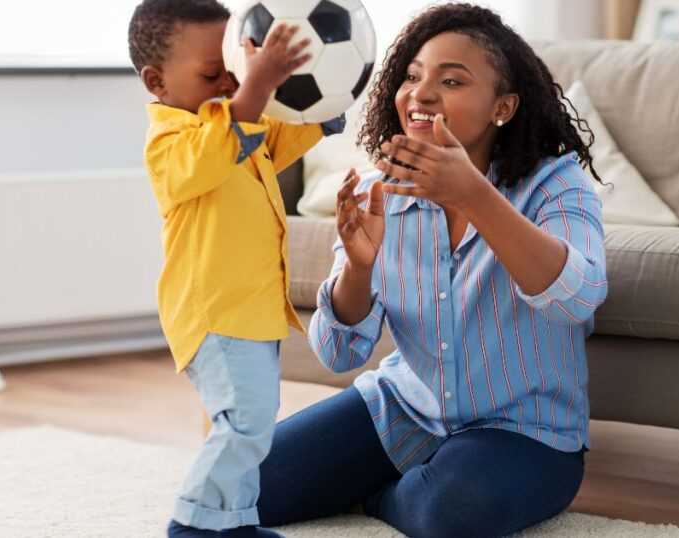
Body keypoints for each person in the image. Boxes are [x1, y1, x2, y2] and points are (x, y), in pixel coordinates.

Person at [256, 3, 608, 537]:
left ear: (504, 106)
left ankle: (382, 496)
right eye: (413, 77)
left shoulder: (555, 184)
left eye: (452, 80)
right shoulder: (385, 192)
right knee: (242, 487)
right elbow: (337, 352)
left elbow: (576, 298)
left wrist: (473, 192)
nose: (419, 93)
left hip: (525, 432)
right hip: (404, 408)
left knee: (455, 512)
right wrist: (358, 267)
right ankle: (412, 478)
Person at [127, 1, 344, 536]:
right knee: (244, 423)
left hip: (251, 309)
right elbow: (219, 148)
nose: (228, 81)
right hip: (214, 309)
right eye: (210, 74)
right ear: (157, 81)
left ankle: (235, 523)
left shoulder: (234, 124)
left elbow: (275, 136)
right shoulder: (170, 142)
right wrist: (255, 85)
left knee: (250, 425)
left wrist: (325, 105)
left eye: (232, 66)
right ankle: (193, 522)